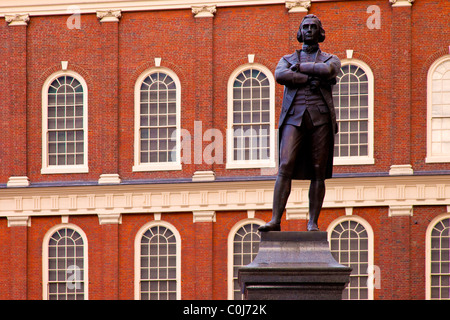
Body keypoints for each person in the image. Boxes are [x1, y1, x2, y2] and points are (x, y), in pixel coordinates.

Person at [258, 14, 340, 232]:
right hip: (294, 118)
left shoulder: (330, 58)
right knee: (285, 165)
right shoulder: (287, 59)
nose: (310, 30)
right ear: (300, 32)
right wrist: (309, 77)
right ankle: (276, 220)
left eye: (314, 27)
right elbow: (279, 75)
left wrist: (300, 70)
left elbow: (328, 71)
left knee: (318, 171)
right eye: (306, 27)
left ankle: (312, 222)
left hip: (320, 119)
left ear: (320, 32)